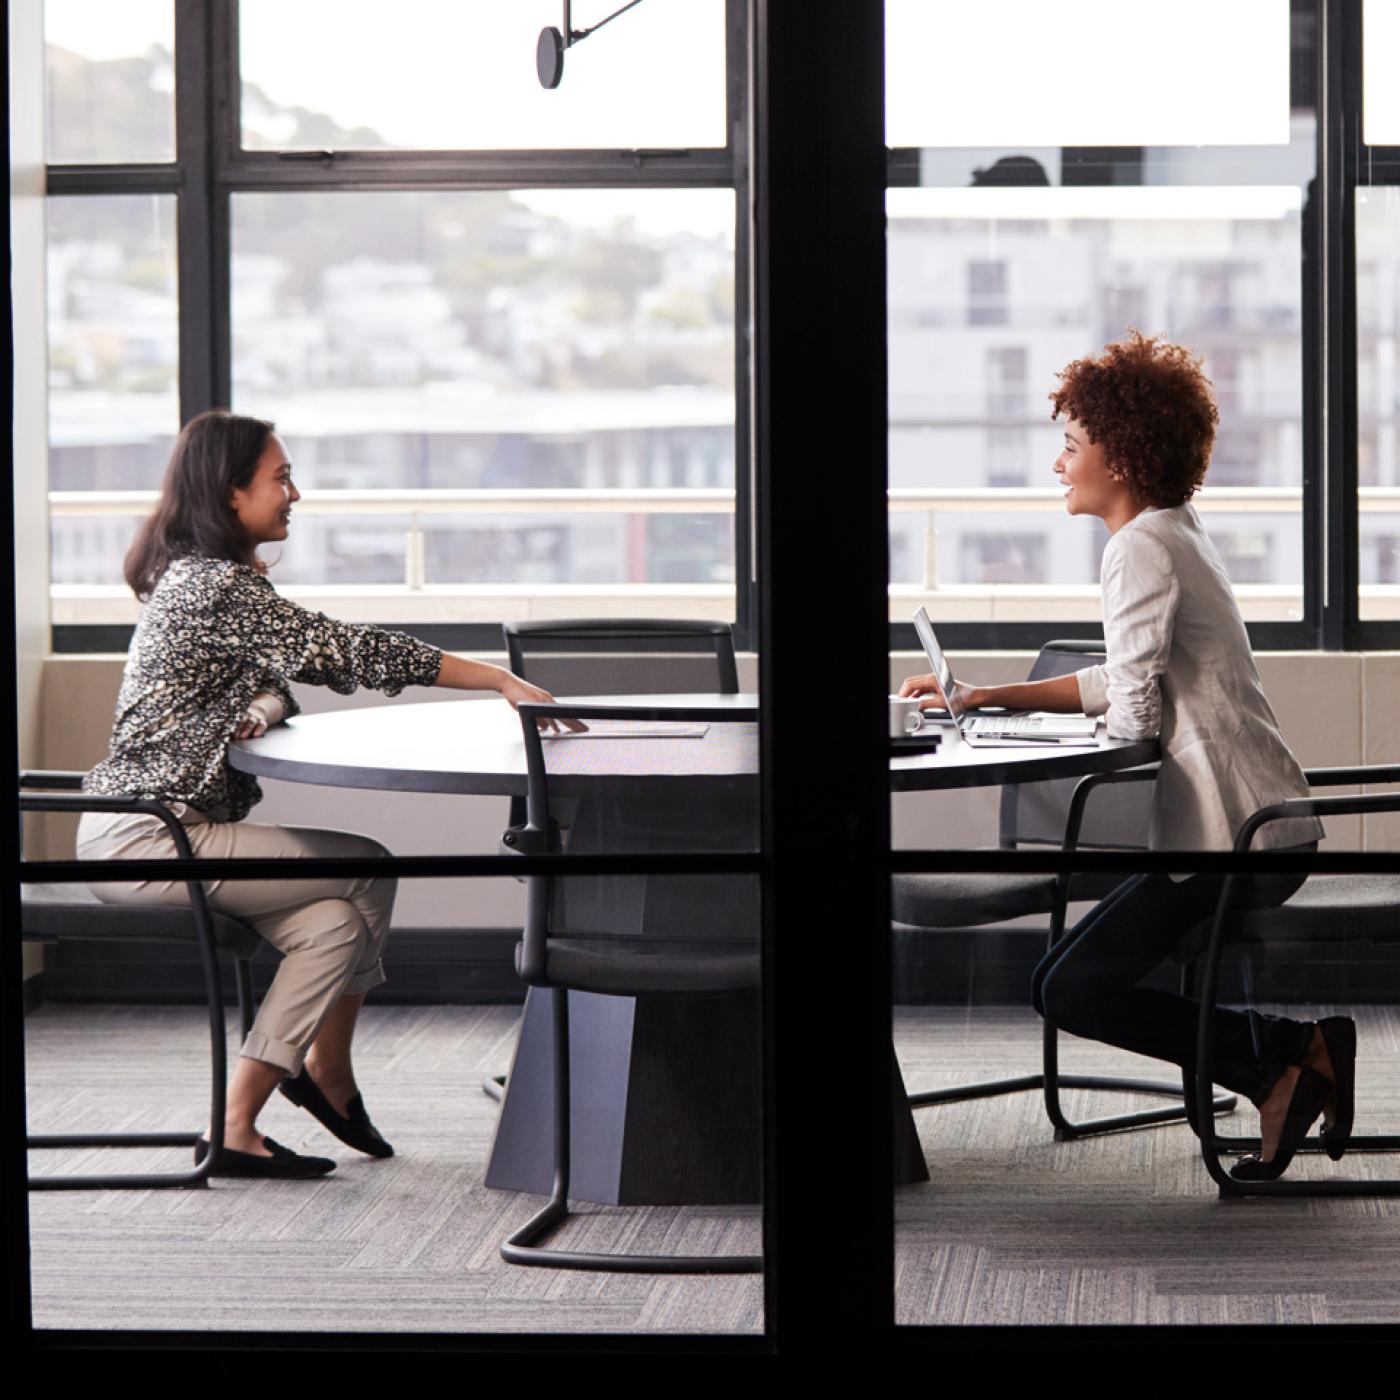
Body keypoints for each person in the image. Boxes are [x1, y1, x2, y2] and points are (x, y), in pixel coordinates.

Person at [899, 332, 1355, 1182]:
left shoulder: (1137, 546)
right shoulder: (1174, 530)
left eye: (1072, 445)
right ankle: (1284, 1061)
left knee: (1066, 987)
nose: (1058, 464)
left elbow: (1134, 717)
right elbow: (1125, 678)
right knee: (1063, 983)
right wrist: (989, 700)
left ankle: (1289, 1057)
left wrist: (1031, 736)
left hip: (1231, 842)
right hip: (1258, 828)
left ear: (1124, 454)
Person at [77, 410, 573, 1180]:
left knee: (333, 924)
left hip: (165, 830)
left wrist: (258, 708)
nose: (294, 493)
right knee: (368, 865)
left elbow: (277, 683)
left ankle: (239, 1122)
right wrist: (497, 678)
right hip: (147, 838)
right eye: (279, 477)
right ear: (229, 490)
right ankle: (324, 1071)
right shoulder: (213, 586)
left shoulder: (205, 582)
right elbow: (345, 650)